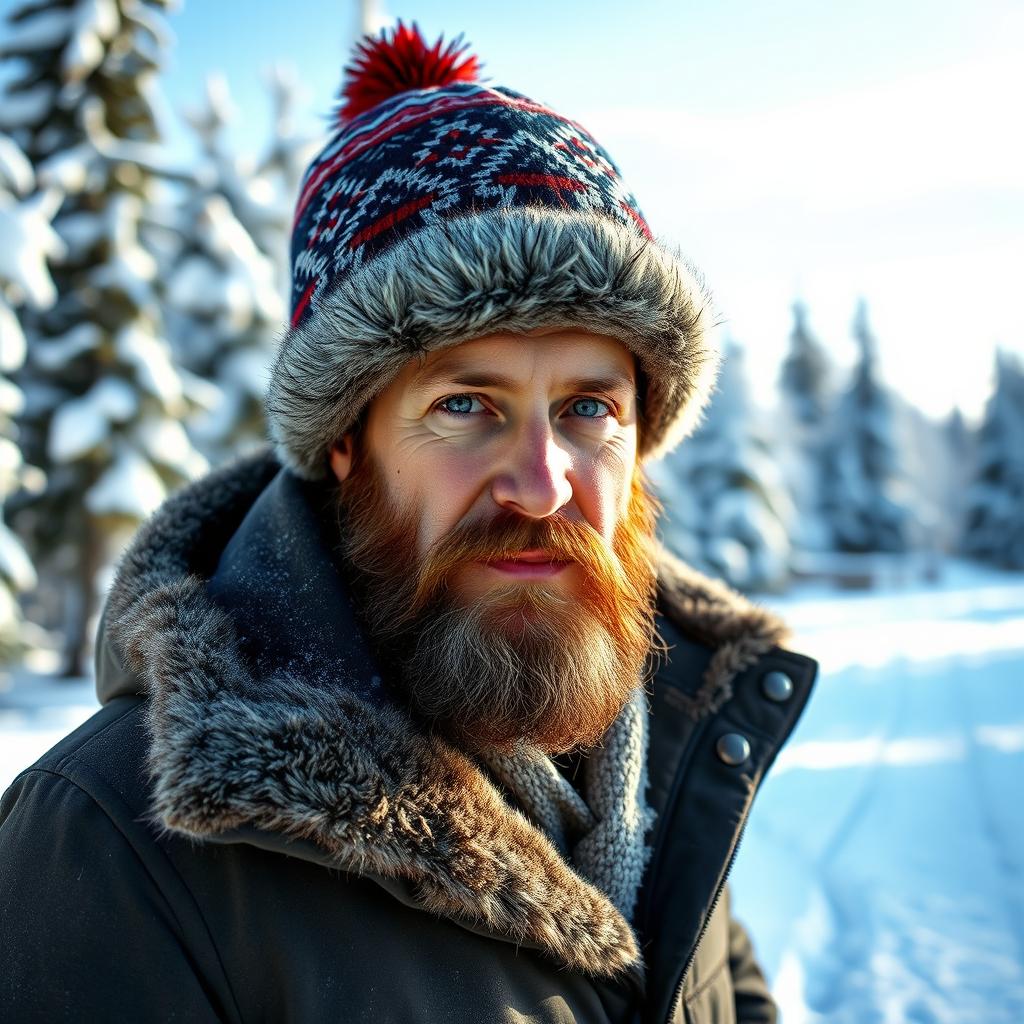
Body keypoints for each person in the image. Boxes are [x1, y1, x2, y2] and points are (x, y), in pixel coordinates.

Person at [0, 23, 816, 1024]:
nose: (541, 484)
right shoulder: (113, 844)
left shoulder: (671, 741)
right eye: (465, 404)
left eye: (588, 408)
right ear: (347, 438)